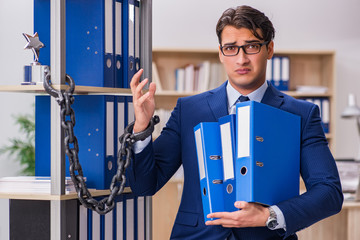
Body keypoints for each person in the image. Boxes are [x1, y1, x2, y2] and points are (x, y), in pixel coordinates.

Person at [127, 5, 343, 240]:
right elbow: (145, 185)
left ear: (269, 49)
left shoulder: (302, 114)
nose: (241, 59)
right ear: (221, 53)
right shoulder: (189, 110)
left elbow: (329, 192)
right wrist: (141, 126)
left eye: (251, 46)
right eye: (231, 48)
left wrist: (269, 215)